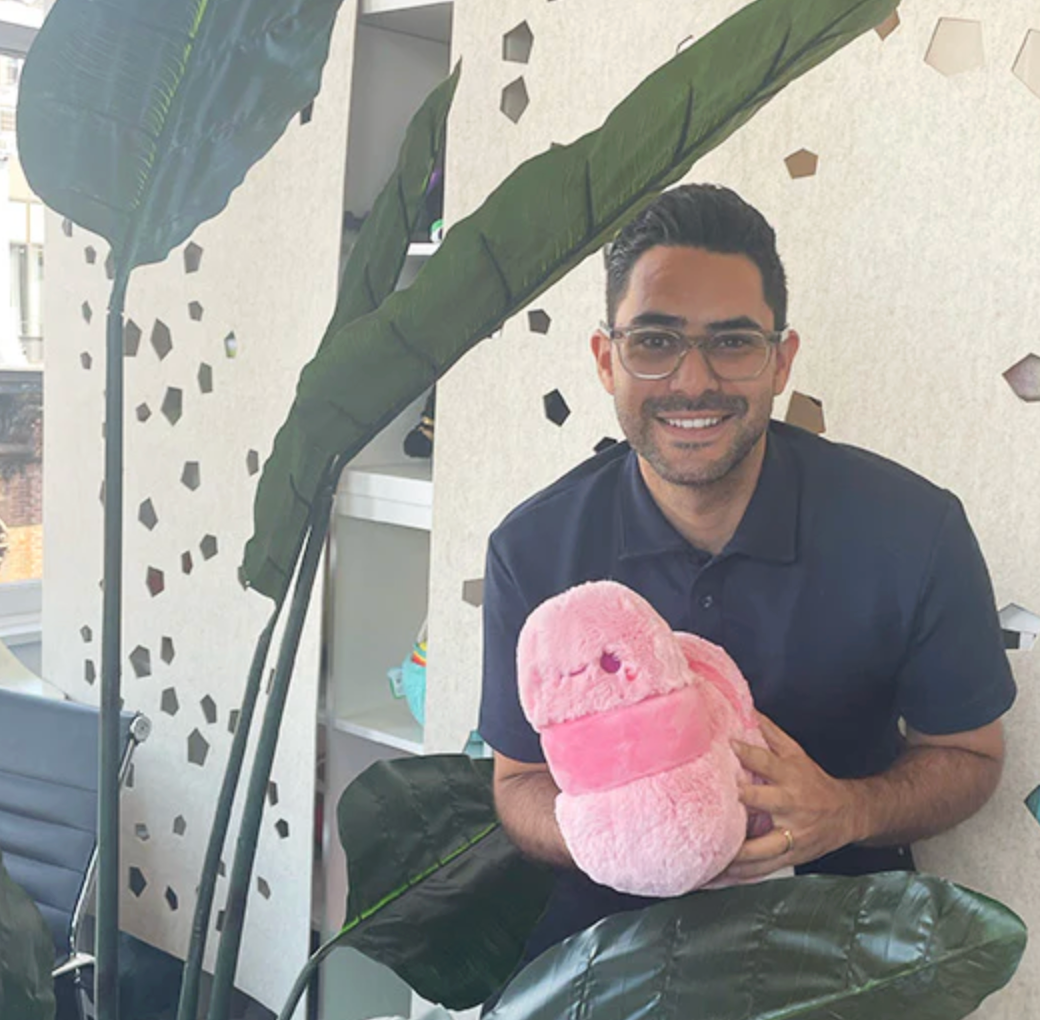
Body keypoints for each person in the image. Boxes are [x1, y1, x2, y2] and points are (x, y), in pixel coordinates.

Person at [477, 183, 1017, 968]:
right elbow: (518, 780)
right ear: (606, 359)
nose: (693, 381)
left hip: (839, 954)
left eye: (733, 342)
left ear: (781, 360)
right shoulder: (531, 549)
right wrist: (629, 840)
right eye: (655, 341)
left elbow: (973, 756)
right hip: (608, 957)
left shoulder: (916, 530)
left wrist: (850, 809)